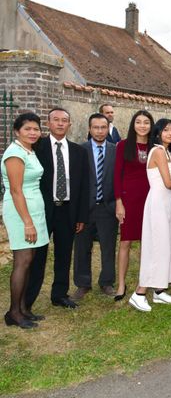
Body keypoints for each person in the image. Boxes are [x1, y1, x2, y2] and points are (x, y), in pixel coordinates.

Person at [25, 108, 89, 311]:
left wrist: (81, 216)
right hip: (43, 209)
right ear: (48, 123)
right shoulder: (36, 147)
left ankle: (59, 295)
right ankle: (27, 299)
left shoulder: (79, 151)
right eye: (56, 120)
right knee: (38, 257)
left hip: (67, 210)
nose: (60, 124)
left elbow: (83, 186)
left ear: (69, 124)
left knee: (64, 254)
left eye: (64, 121)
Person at [128, 119, 171, 312]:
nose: (170, 133)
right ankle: (139, 293)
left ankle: (159, 291)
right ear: (158, 133)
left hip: (168, 203)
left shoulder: (168, 153)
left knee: (167, 245)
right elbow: (169, 183)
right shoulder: (158, 151)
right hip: (158, 202)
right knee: (157, 247)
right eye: (165, 130)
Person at [2, 113, 49, 328]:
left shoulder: (28, 150)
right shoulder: (14, 154)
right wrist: (27, 222)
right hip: (21, 212)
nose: (32, 132)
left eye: (36, 129)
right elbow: (15, 190)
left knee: (29, 260)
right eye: (27, 129)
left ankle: (23, 308)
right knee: (22, 261)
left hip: (34, 209)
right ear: (16, 131)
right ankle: (14, 313)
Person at [72, 113, 119, 300]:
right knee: (82, 247)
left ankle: (107, 282)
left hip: (108, 207)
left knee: (108, 247)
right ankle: (83, 284)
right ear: (89, 129)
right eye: (96, 127)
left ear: (108, 129)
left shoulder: (116, 150)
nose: (100, 131)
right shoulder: (80, 150)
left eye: (103, 127)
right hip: (85, 208)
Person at [113, 110, 153, 301]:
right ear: (133, 124)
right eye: (139, 122)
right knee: (125, 242)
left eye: (146, 122)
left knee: (148, 242)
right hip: (129, 199)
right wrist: (119, 202)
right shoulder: (123, 145)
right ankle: (121, 284)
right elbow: (116, 175)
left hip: (150, 198)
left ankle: (143, 282)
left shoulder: (156, 146)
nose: (143, 126)